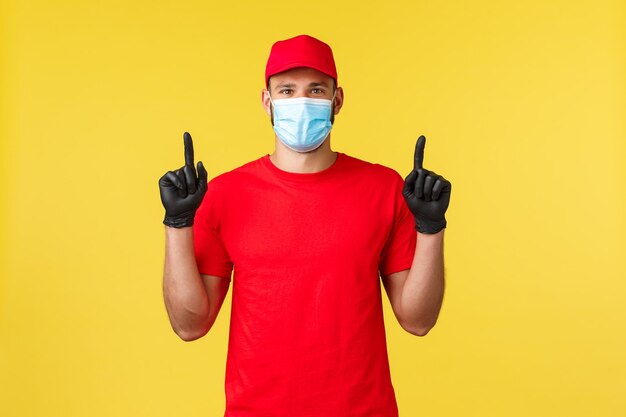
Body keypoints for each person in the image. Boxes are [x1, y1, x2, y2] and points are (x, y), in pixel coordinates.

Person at [159, 34, 451, 417]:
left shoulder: (384, 189)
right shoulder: (224, 193)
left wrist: (431, 228)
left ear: (337, 100)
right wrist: (178, 223)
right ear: (268, 102)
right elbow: (189, 326)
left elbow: (418, 320)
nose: (301, 102)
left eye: (315, 89)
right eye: (286, 90)